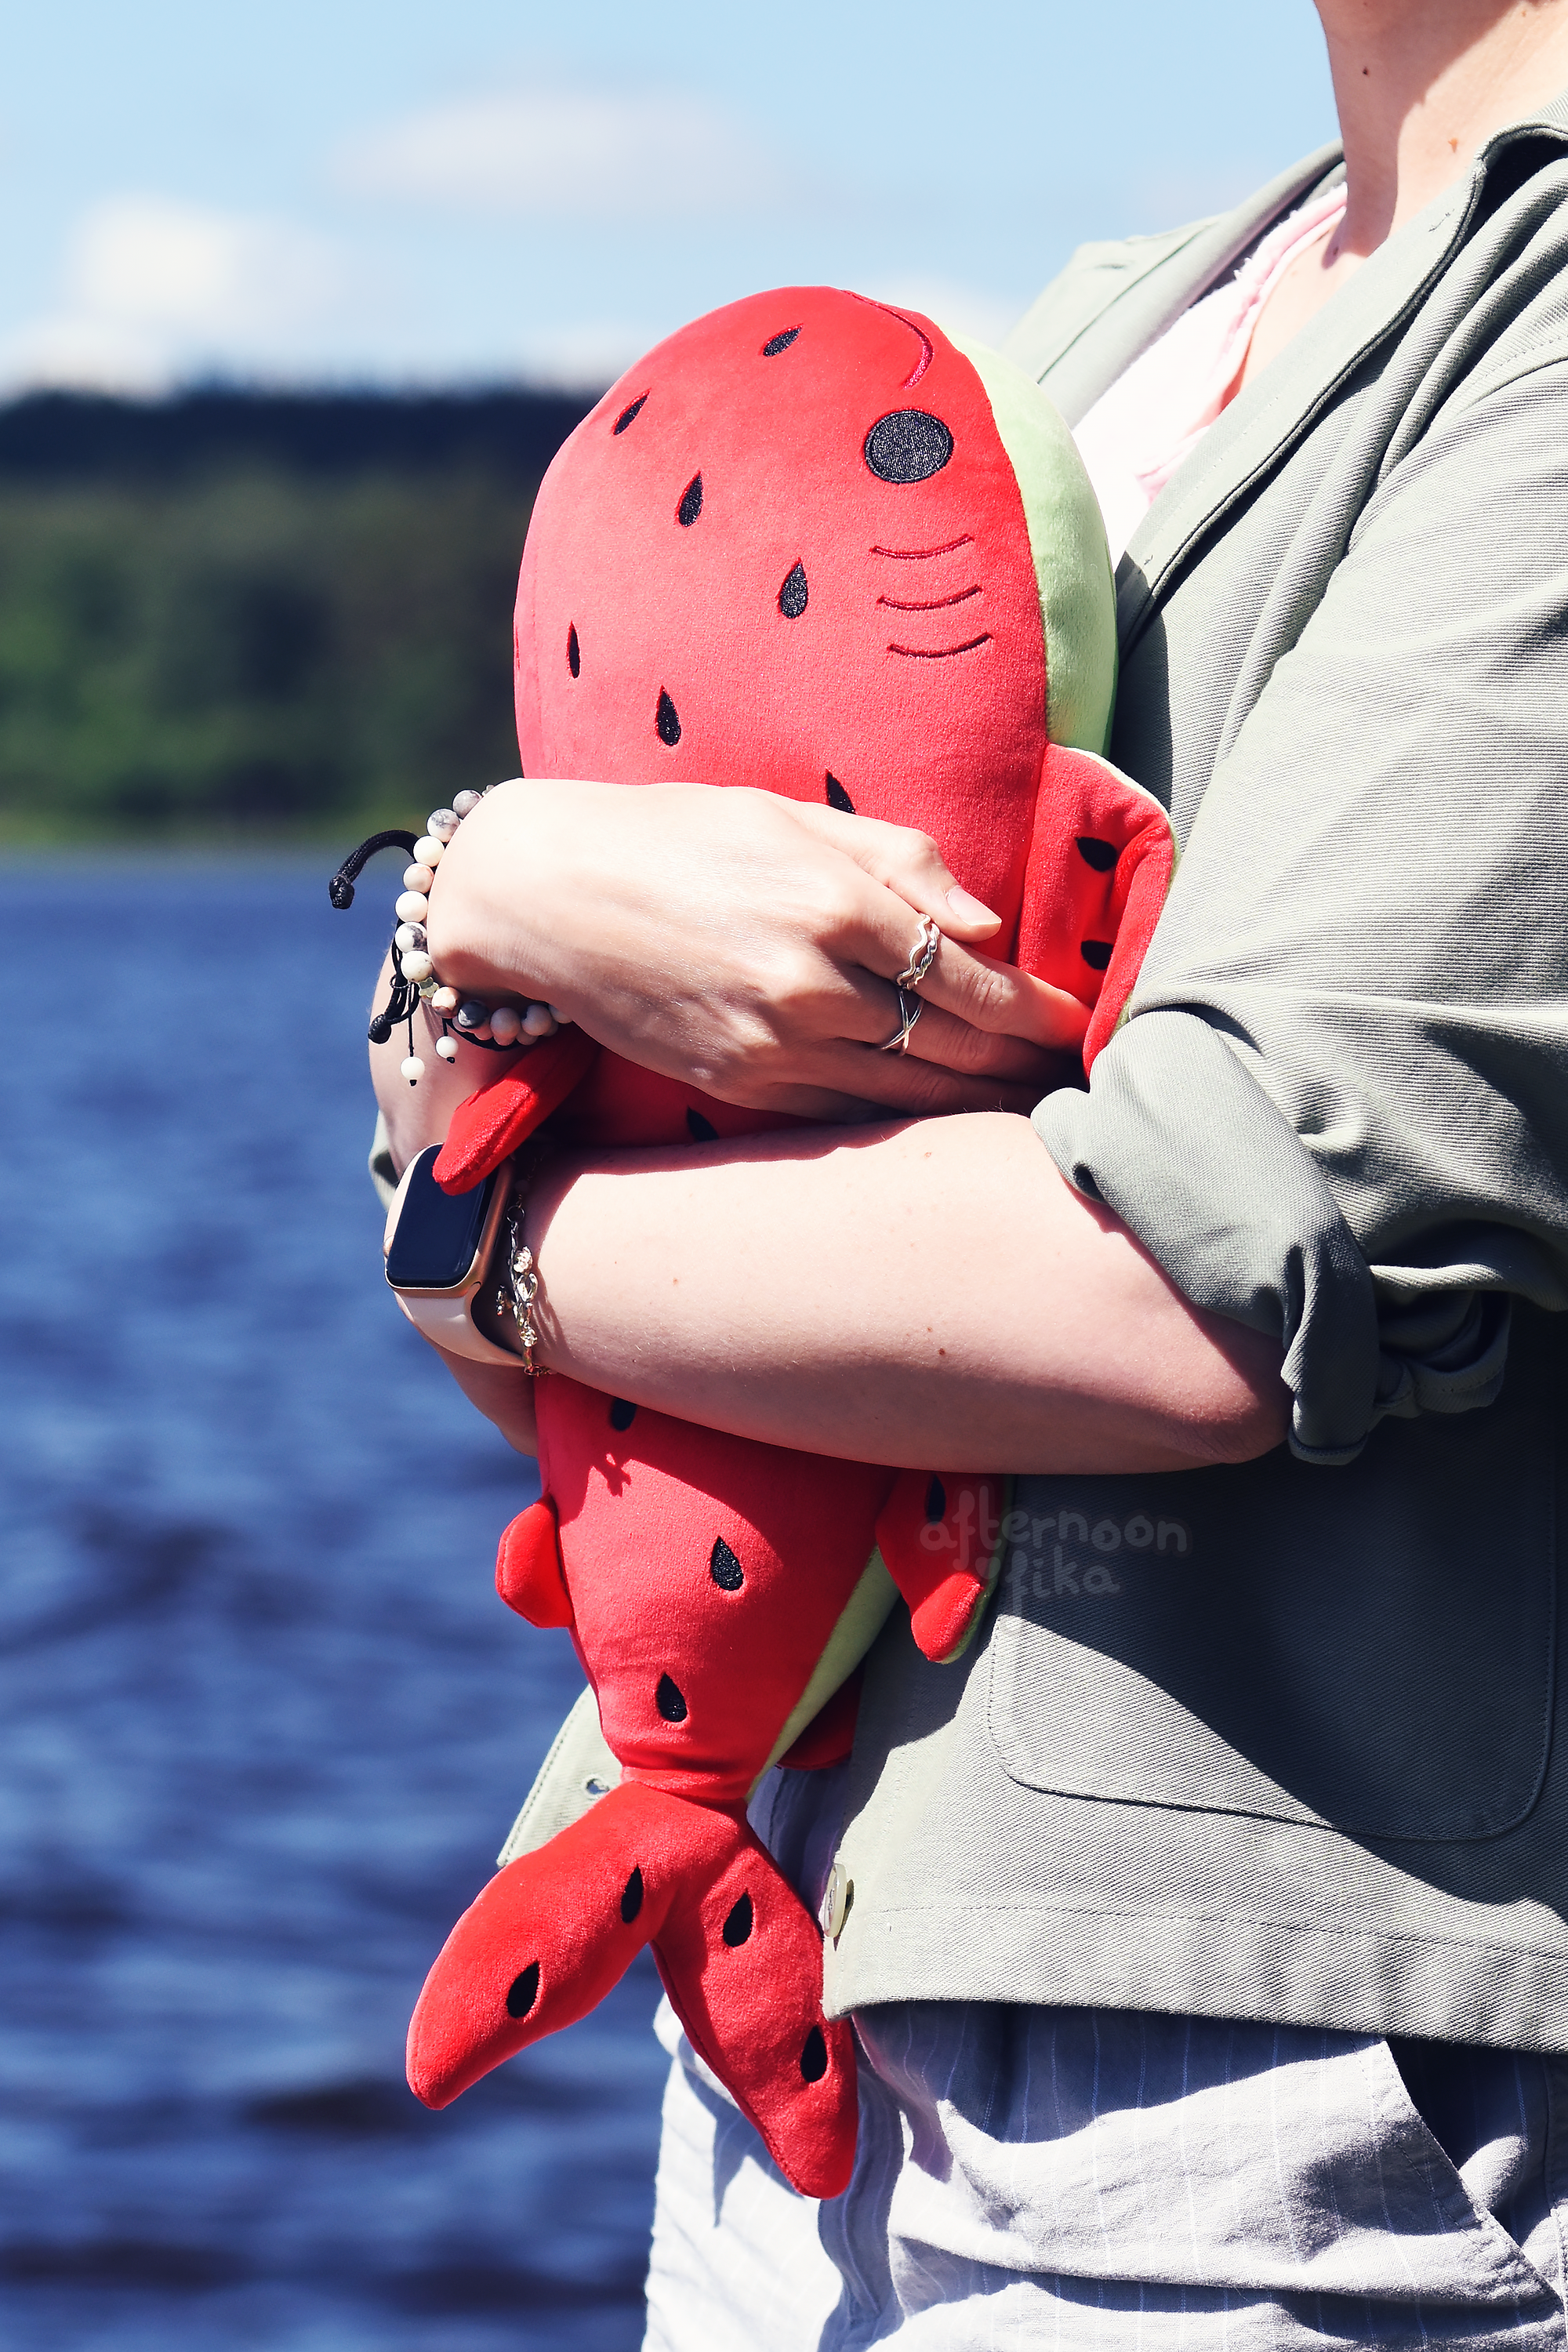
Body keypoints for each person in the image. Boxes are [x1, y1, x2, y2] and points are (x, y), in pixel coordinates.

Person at [368, 1, 1568, 2340]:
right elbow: (723, 1271)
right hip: (808, 2014)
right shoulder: (1121, 323)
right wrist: (474, 913)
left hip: (1271, 2097)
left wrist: (487, 1228)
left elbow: (1190, 1279)